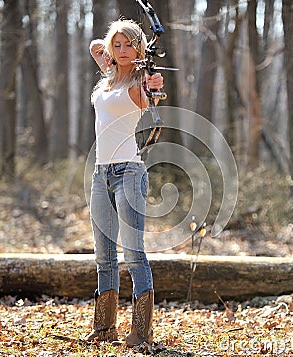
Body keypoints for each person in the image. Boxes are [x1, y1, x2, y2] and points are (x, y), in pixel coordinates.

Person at [84, 19, 164, 347]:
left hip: (128, 173)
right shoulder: (109, 78)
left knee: (134, 254)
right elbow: (94, 46)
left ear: (139, 49)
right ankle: (104, 329)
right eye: (116, 45)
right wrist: (115, 52)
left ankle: (140, 332)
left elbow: (152, 96)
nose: (120, 50)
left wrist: (153, 84)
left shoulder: (138, 84)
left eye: (128, 45)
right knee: (104, 256)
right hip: (100, 174)